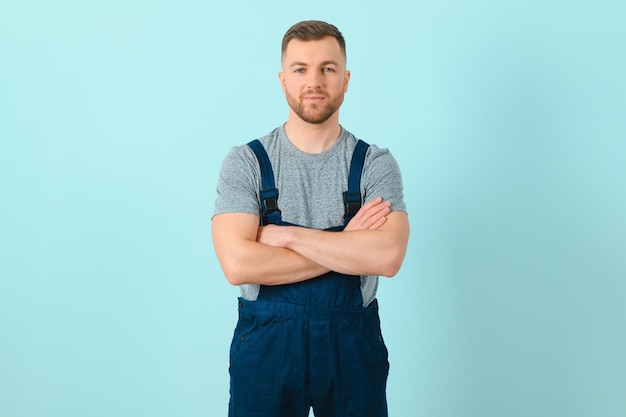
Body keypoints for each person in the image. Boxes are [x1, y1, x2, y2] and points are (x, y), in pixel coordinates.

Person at [212, 20, 409, 417]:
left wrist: (284, 237)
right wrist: (347, 241)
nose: (314, 81)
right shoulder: (246, 162)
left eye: (328, 68)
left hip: (352, 345)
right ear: (283, 79)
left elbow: (387, 257)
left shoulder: (375, 164)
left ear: (346, 79)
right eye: (301, 69)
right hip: (267, 347)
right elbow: (237, 265)